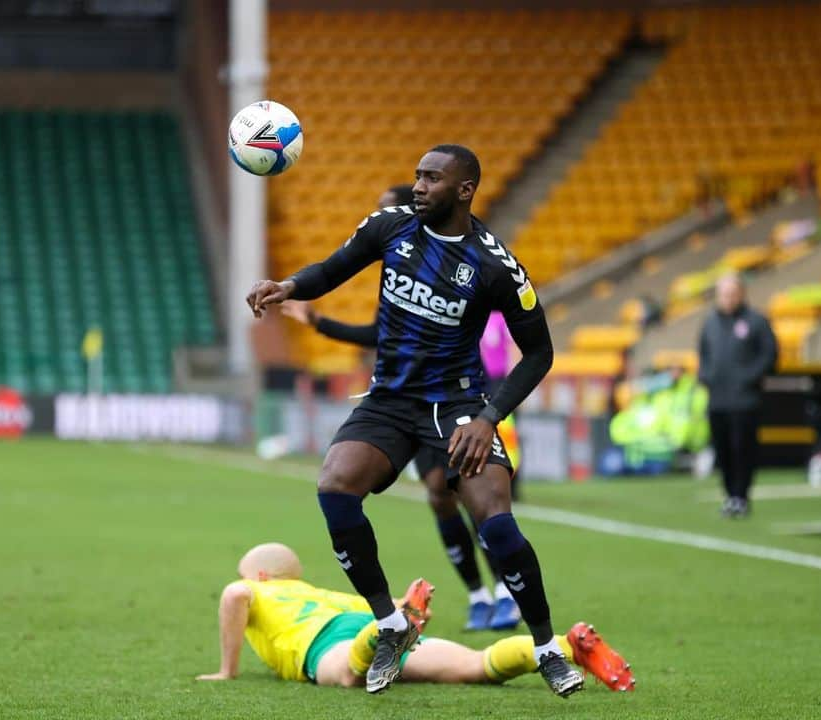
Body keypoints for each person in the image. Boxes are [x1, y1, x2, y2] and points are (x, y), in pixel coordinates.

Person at [246, 145, 580, 697]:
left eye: (432, 179)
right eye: (417, 177)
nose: (418, 186)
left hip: (459, 406)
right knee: (334, 486)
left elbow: (539, 353)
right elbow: (332, 268)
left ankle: (547, 648)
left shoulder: (497, 266)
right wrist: (289, 286)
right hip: (390, 400)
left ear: (465, 189)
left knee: (495, 522)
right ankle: (391, 625)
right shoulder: (391, 227)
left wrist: (490, 417)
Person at [280, 185, 522, 633]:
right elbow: (377, 332)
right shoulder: (395, 254)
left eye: (386, 210)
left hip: (452, 401)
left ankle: (505, 592)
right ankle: (478, 595)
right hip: (400, 402)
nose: (379, 218)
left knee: (468, 496)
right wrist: (320, 323)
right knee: (437, 495)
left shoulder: (458, 259)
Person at [196, 543, 634, 692]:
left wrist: (226, 670)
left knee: (348, 675)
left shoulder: (255, 588)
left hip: (327, 643)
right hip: (365, 622)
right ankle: (565, 647)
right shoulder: (320, 592)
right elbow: (371, 601)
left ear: (259, 574)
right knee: (478, 667)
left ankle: (391, 631)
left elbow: (235, 594)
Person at [697, 273, 777, 518]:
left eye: (732, 294)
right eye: (724, 294)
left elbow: (769, 355)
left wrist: (748, 378)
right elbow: (703, 353)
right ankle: (729, 494)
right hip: (718, 399)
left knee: (743, 448)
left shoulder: (756, 321)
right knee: (723, 450)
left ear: (742, 294)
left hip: (745, 400)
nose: (728, 299)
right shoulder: (710, 323)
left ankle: (741, 495)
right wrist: (707, 376)